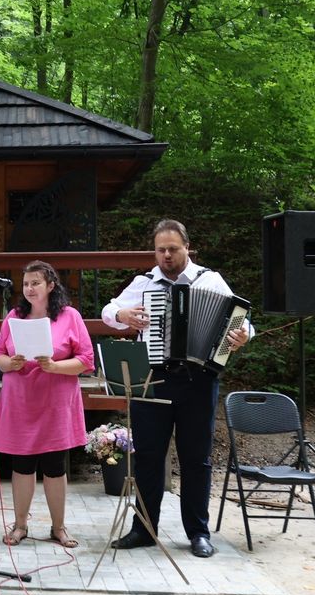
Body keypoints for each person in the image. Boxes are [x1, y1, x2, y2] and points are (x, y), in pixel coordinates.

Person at [101, 219, 251, 558]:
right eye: (160, 250)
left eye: (173, 249)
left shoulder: (209, 280)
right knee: (149, 457)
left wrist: (243, 335)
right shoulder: (143, 282)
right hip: (152, 378)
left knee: (196, 459)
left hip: (199, 379)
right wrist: (124, 314)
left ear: (187, 248)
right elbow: (108, 311)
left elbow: (241, 321)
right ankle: (143, 529)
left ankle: (198, 532)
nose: (166, 255)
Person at [0, 260, 93, 548]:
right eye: (25, 283)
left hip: (54, 401)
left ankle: (58, 527)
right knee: (21, 464)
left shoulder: (69, 316)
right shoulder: (15, 315)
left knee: (54, 465)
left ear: (50, 286)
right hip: (21, 400)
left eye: (36, 282)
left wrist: (56, 366)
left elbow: (86, 360)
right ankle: (20, 524)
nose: (29, 288)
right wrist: (10, 363)